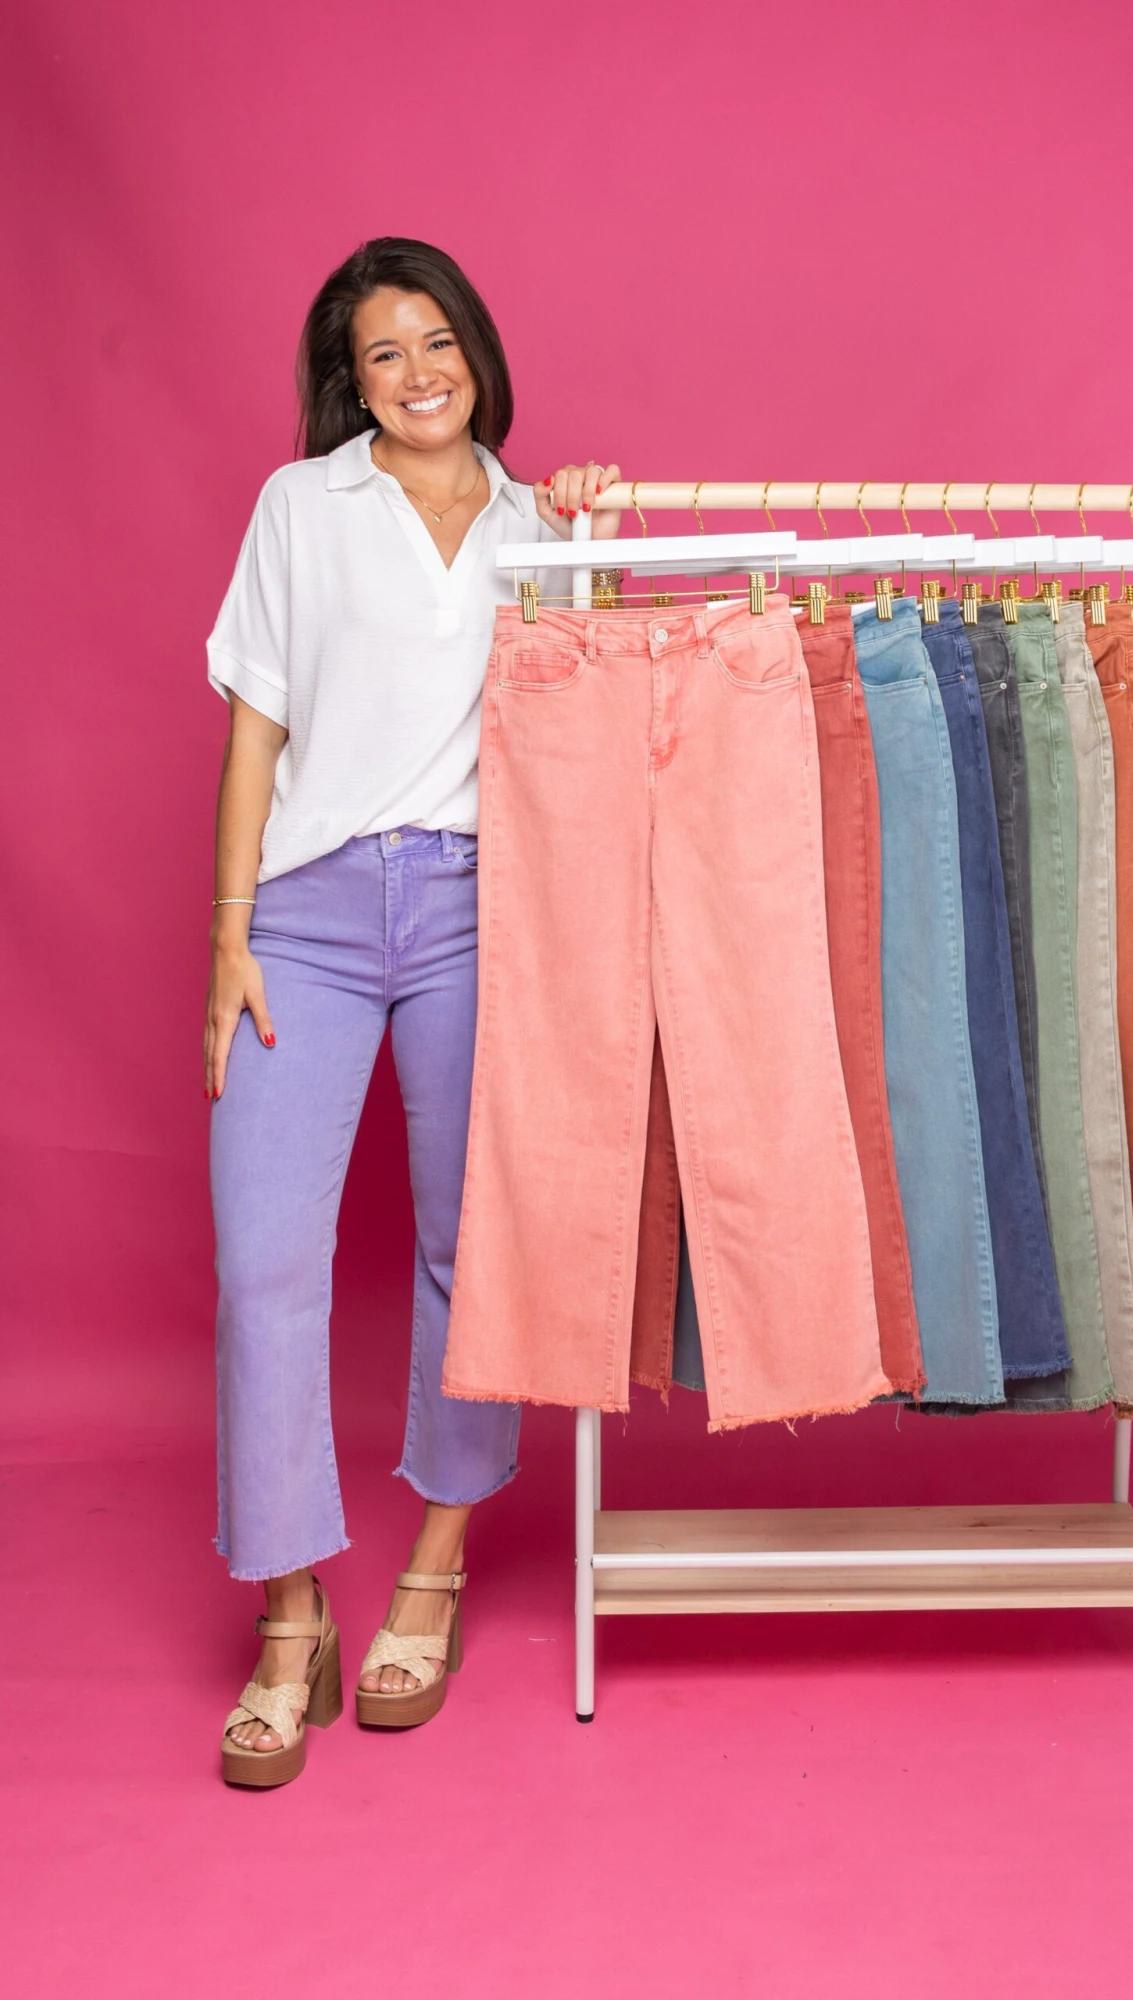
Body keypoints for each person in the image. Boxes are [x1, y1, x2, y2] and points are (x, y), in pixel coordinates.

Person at [205, 236, 620, 1787]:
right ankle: (290, 1611)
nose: (418, 372)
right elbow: (257, 731)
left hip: (473, 909)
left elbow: (599, 715)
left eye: (437, 341)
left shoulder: (536, 524)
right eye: (384, 352)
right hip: (306, 915)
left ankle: (434, 1568)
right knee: (263, 1263)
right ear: (353, 380)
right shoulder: (298, 507)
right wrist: (228, 936)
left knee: (471, 1247)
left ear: (478, 354)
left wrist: (591, 542)